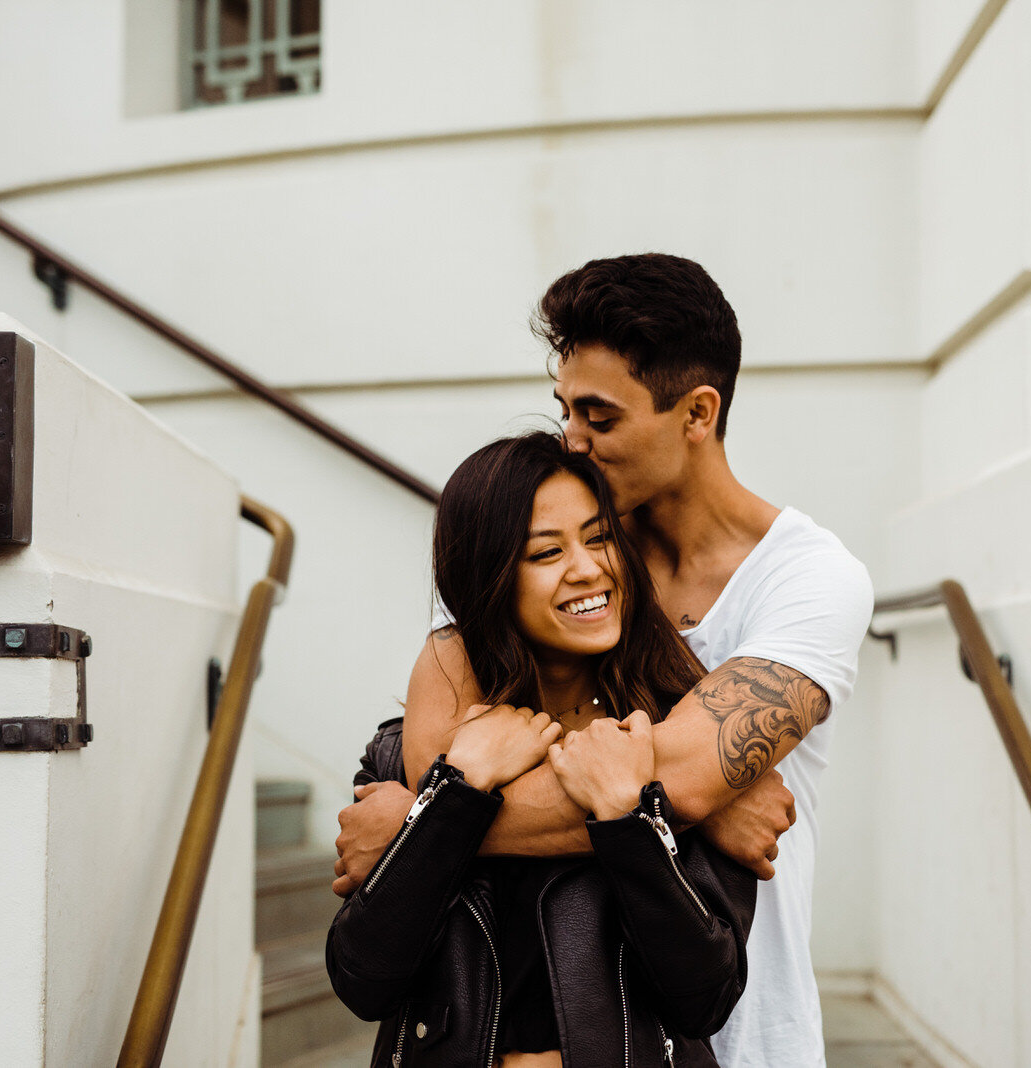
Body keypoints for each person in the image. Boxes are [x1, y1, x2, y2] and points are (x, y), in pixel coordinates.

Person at [335, 253, 875, 1066]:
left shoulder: (809, 578)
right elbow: (436, 750)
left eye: (600, 416)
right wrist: (701, 805)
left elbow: (680, 777)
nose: (573, 441)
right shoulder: (546, 550)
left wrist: (419, 829)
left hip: (743, 1031)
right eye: (566, 410)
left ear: (697, 414)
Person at [326, 431, 757, 1067]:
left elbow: (706, 998)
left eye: (600, 537)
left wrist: (626, 816)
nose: (588, 568)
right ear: (488, 578)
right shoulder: (405, 759)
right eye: (547, 551)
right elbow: (364, 980)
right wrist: (455, 794)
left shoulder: (674, 738)